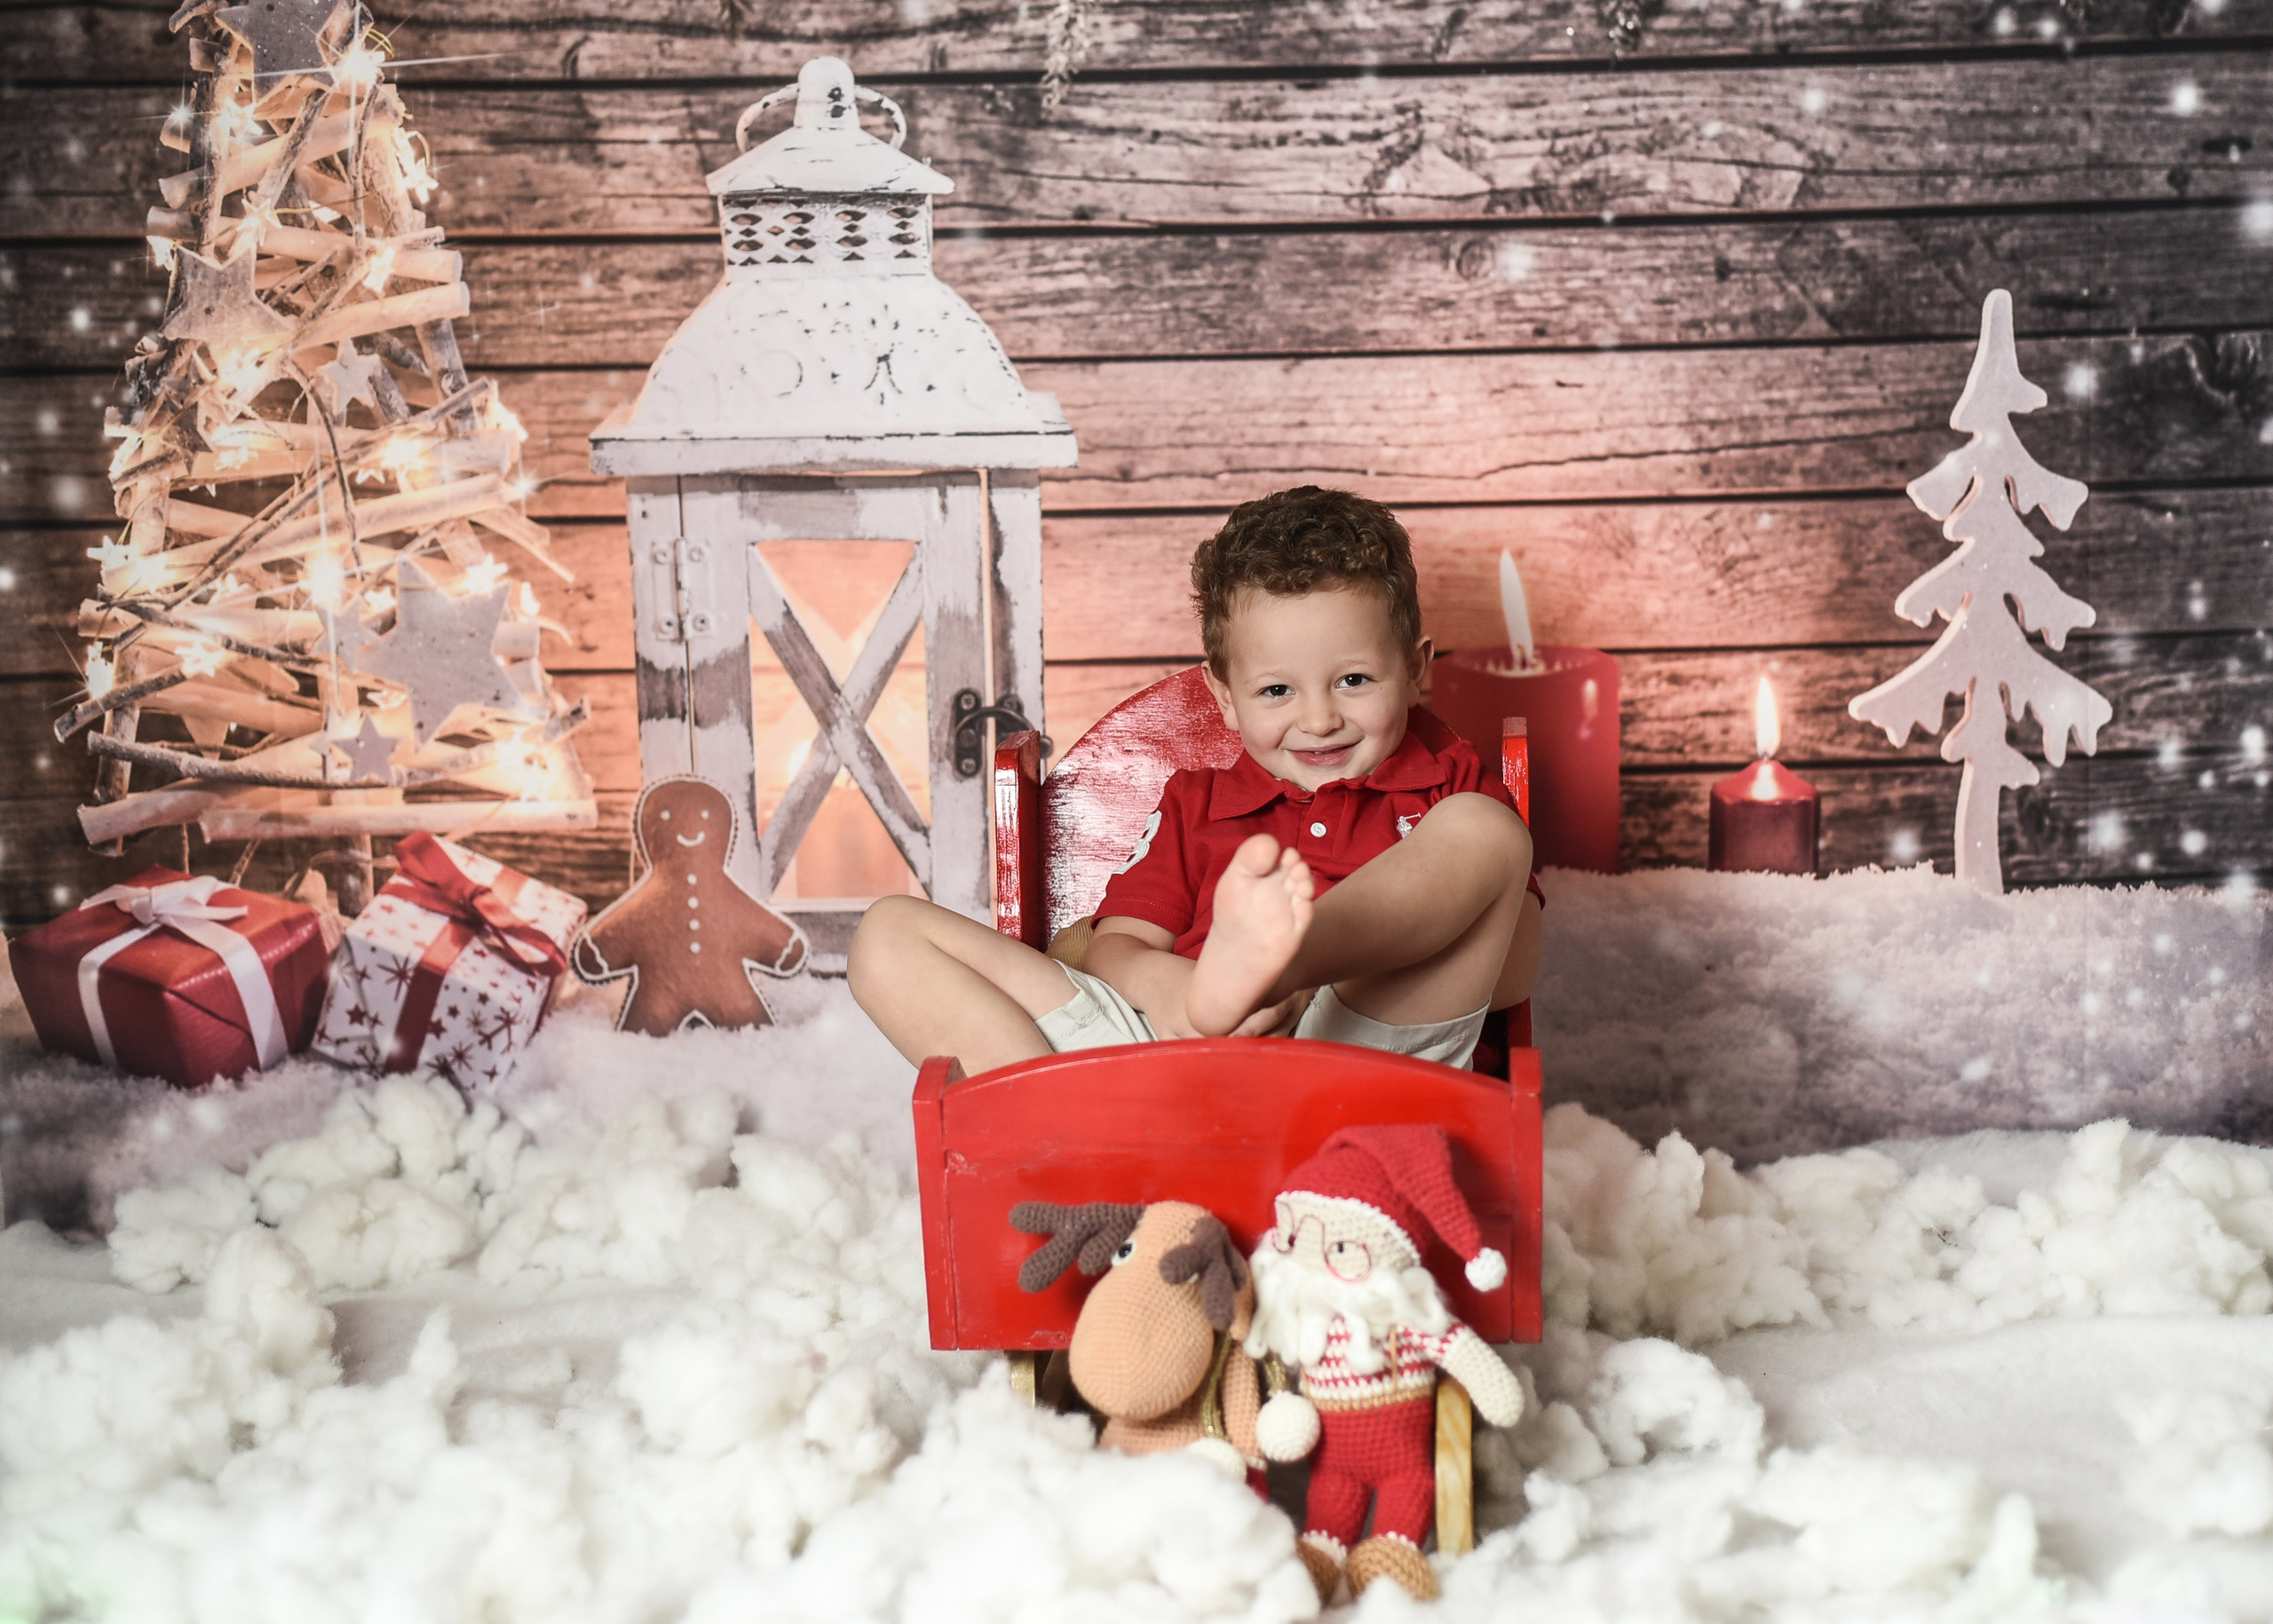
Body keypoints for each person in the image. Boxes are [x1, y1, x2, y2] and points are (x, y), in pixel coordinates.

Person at [848, 486, 1542, 1076]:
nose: (1320, 717)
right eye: (1276, 690)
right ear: (1226, 697)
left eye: (1355, 680)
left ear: (1417, 668)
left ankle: (1289, 953)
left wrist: (1299, 967)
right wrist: (1185, 995)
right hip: (1170, 1057)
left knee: (1490, 831)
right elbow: (1116, 948)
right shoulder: (1197, 802)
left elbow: (1513, 974)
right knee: (887, 934)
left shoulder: (1449, 784)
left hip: (1359, 1059)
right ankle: (1067, 1132)